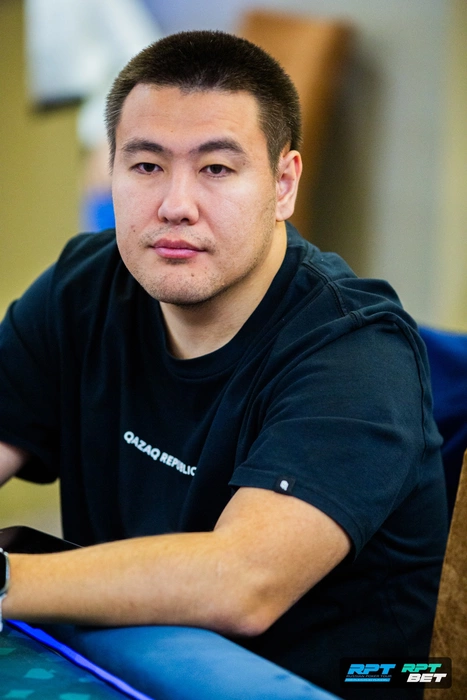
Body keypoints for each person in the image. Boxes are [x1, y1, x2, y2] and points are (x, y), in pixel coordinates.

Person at [0, 30, 447, 698]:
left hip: (336, 685)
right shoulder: (83, 286)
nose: (175, 205)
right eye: (145, 166)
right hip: (136, 665)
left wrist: (6, 579)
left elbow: (242, 581)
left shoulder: (358, 353)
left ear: (283, 184)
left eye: (215, 168)